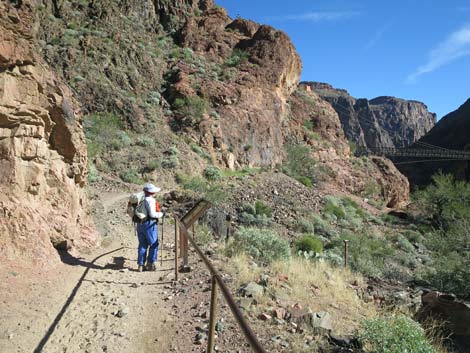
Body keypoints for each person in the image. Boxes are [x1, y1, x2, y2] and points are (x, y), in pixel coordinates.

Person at [136, 183, 164, 272]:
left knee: (142, 244)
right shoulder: (151, 200)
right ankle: (151, 263)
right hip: (149, 224)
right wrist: (161, 214)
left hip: (140, 224)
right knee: (154, 244)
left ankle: (141, 265)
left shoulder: (141, 199)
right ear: (152, 192)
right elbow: (152, 214)